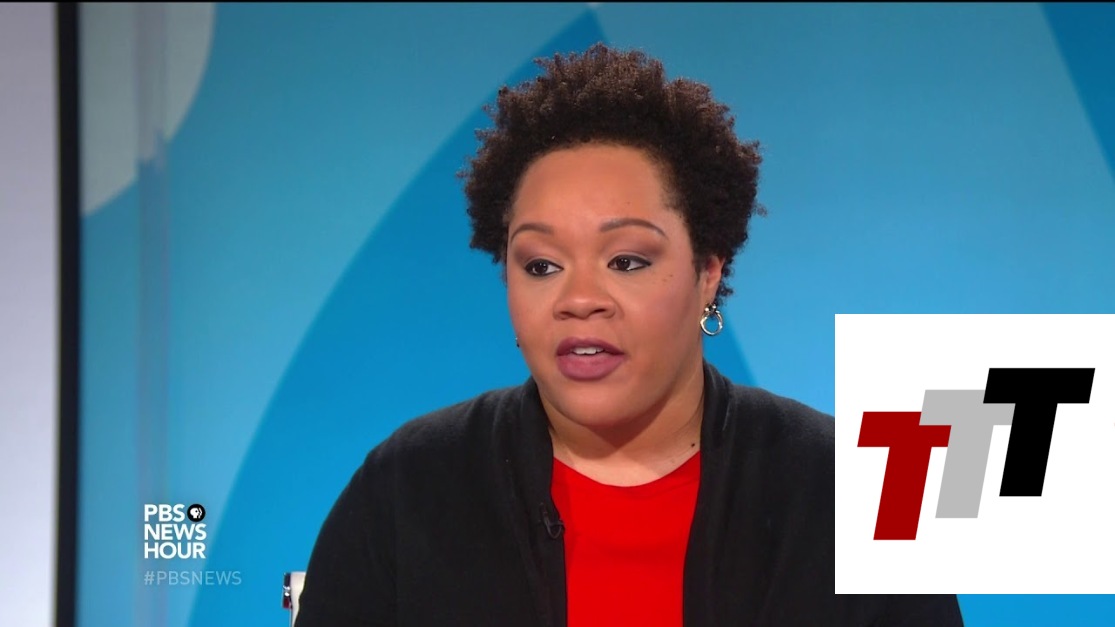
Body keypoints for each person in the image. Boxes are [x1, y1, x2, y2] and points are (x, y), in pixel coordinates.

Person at [294, 43, 964, 626]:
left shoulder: (847, 493)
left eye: (627, 261)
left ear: (707, 270)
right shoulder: (410, 489)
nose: (579, 299)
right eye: (541, 265)